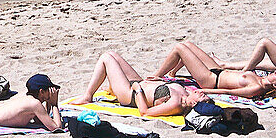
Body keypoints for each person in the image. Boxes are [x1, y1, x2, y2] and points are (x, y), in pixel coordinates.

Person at [68, 51, 208, 117]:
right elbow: (211, 91)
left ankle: (88, 96)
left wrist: (138, 90)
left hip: (131, 94)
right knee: (113, 54)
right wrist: (160, 81)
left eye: (202, 97)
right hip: (140, 83)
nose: (202, 93)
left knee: (106, 58)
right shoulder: (187, 93)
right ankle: (112, 88)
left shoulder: (176, 104)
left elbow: (144, 112)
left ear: (194, 104)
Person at [154, 41, 276, 99]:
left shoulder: (257, 88)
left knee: (179, 48)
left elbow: (229, 92)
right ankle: (172, 73)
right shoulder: (261, 77)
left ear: (275, 85)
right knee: (188, 45)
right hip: (219, 71)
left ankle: (157, 76)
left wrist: (203, 90)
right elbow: (272, 63)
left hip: (211, 80)